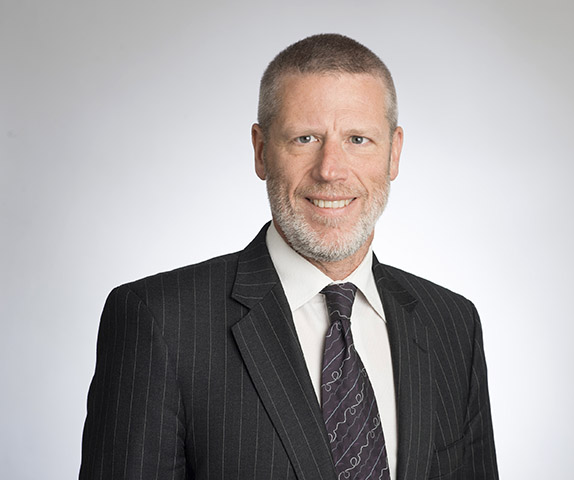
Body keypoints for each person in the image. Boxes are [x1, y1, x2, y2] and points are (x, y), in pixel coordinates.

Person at [80, 33, 498, 480]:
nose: (330, 170)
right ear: (261, 151)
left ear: (394, 153)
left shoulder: (452, 325)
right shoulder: (161, 321)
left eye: (358, 139)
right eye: (305, 138)